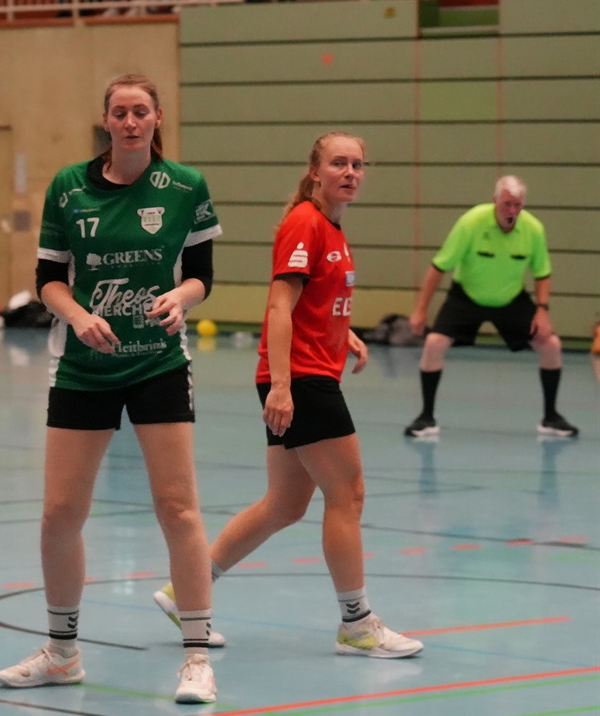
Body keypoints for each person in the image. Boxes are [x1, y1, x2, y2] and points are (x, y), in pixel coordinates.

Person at [0, 74, 222, 704]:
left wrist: (180, 297)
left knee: (178, 508)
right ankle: (61, 653)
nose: (130, 121)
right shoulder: (69, 186)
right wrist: (77, 315)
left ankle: (197, 658)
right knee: (60, 513)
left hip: (157, 364)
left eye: (140, 111)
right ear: (106, 120)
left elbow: (203, 275)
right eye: (119, 112)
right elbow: (47, 278)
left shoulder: (186, 186)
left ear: (157, 118)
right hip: (83, 366)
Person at [160, 133, 422, 660]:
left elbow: (313, 300)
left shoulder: (331, 226)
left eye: (357, 164)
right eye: (338, 163)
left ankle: (185, 591)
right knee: (348, 494)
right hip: (301, 379)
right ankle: (357, 623)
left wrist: (341, 333)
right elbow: (280, 304)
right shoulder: (306, 222)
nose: (350, 172)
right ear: (315, 171)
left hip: (306, 371)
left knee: (284, 503)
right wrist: (281, 387)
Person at [404, 176, 573, 438]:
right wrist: (420, 309)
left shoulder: (533, 229)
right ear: (495, 200)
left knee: (551, 345)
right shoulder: (471, 223)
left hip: (510, 298)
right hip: (466, 296)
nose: (512, 210)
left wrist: (542, 310)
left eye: (517, 205)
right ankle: (426, 417)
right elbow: (439, 266)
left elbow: (542, 272)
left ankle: (550, 417)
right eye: (506, 204)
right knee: (434, 344)